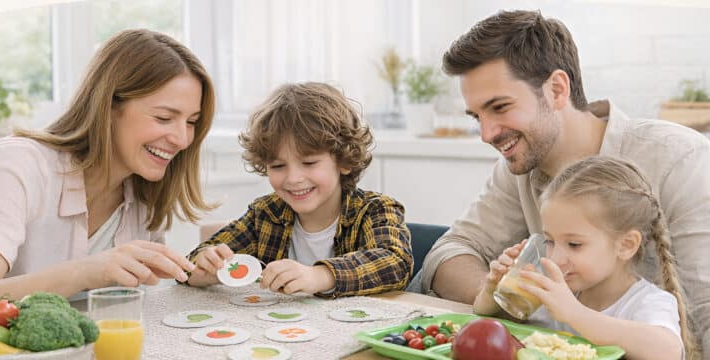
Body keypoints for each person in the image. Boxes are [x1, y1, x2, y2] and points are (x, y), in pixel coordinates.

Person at [419, 9, 710, 355]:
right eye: (477, 116)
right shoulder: (521, 163)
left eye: (499, 107)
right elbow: (450, 252)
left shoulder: (679, 159)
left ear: (557, 89)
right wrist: (500, 292)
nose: (486, 134)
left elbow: (701, 316)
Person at [0, 29, 214, 310]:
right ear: (108, 107)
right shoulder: (15, 166)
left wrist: (192, 274)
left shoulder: (143, 191)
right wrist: (85, 271)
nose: (182, 139)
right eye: (164, 117)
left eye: (191, 121)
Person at [185, 82, 413, 297]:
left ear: (344, 161)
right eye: (278, 166)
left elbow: (395, 263)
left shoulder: (376, 210)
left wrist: (320, 276)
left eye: (309, 163)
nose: (293, 179)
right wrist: (205, 269)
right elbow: (190, 265)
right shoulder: (265, 214)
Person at [474, 156, 697, 360]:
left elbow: (667, 350)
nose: (556, 258)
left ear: (626, 245)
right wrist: (493, 289)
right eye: (550, 241)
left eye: (574, 244)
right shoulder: (552, 289)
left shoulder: (646, 303)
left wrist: (575, 313)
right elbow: (485, 314)